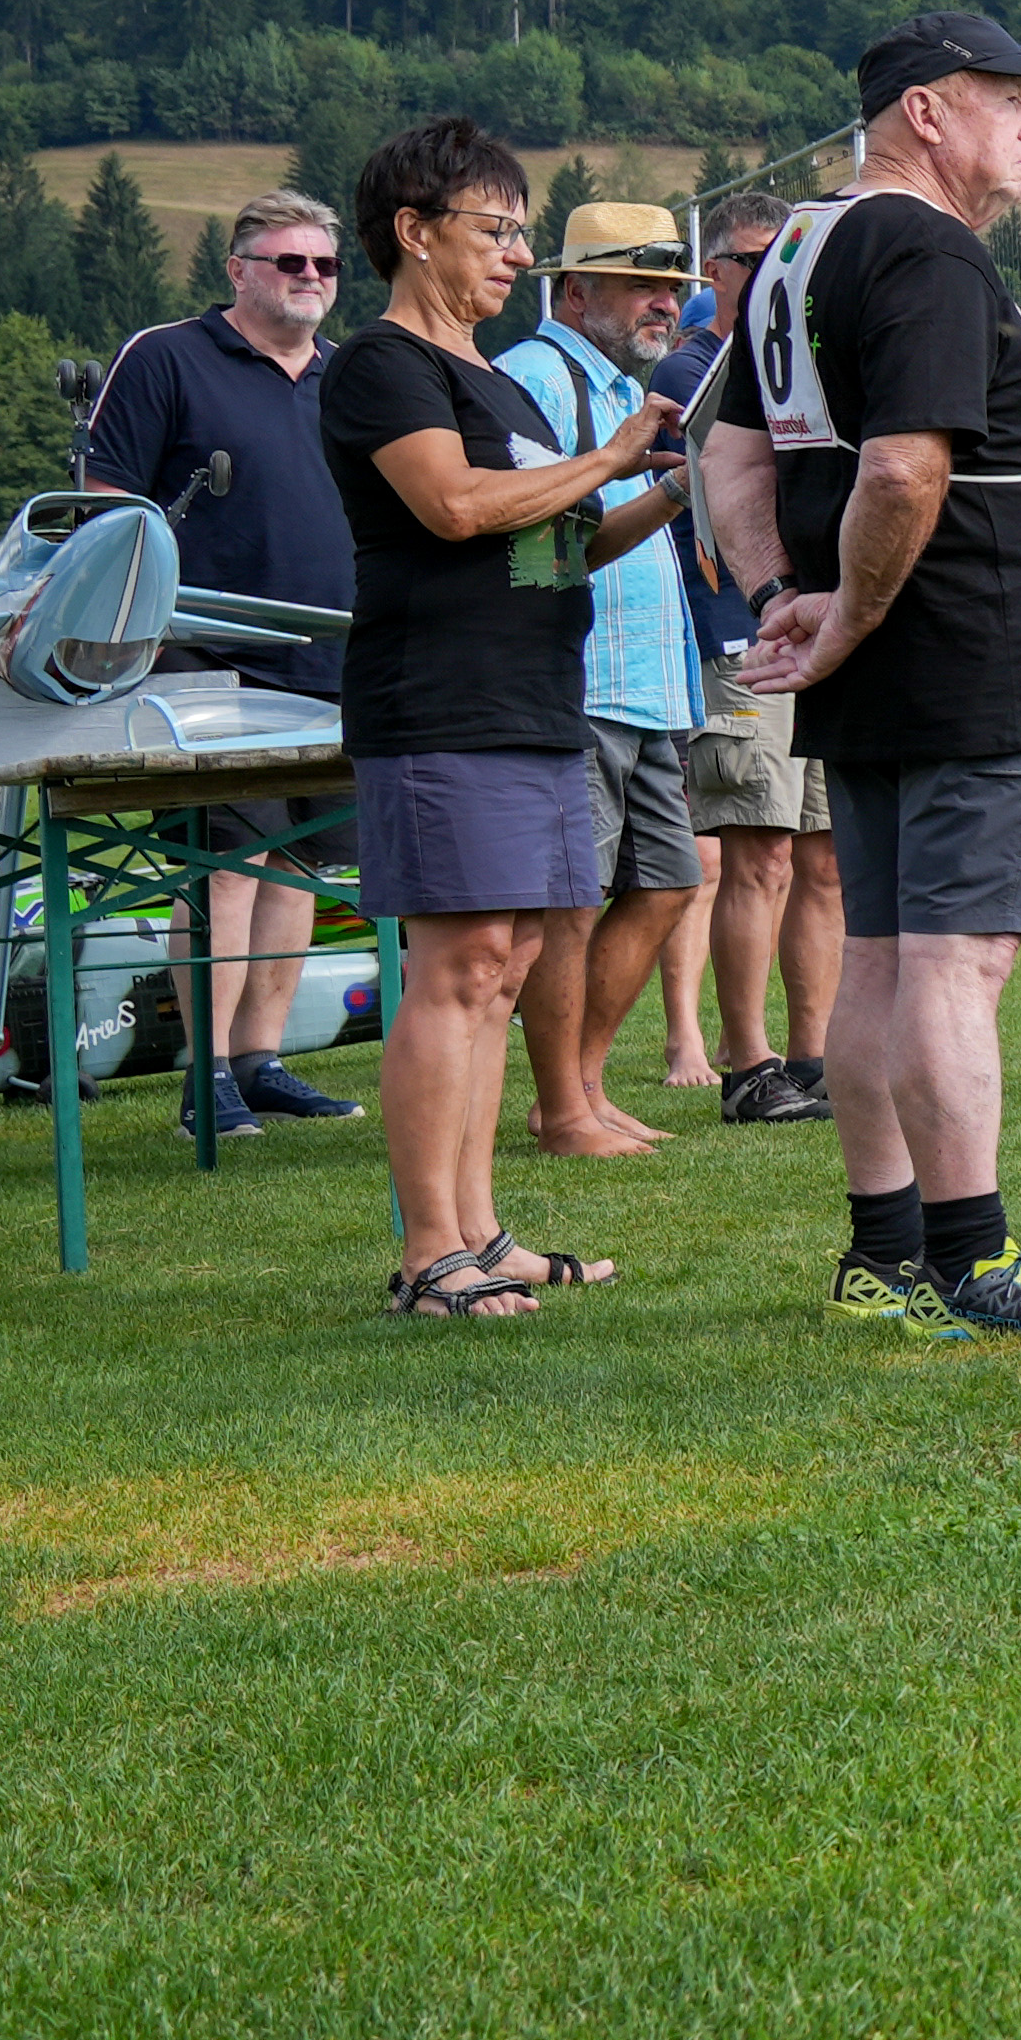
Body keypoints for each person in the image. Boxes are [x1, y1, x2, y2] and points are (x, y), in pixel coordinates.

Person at [700, 14, 1021, 1339]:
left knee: (886, 958)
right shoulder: (921, 243)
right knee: (956, 962)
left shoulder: (794, 246)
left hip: (885, 660)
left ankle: (883, 1255)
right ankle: (976, 1258)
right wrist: (834, 616)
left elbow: (726, 462)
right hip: (972, 648)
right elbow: (907, 468)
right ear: (925, 113)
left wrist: (775, 599)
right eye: (1011, 103)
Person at [320, 119, 690, 1317]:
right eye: (496, 230)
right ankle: (432, 1253)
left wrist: (676, 482)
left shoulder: (485, 378)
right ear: (414, 234)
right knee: (460, 964)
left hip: (530, 699)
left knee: (510, 961)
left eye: (523, 233)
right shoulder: (383, 366)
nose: (517, 256)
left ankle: (483, 1232)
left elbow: (562, 547)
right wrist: (617, 450)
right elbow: (457, 507)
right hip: (440, 704)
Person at [73, 189, 365, 1142]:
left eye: (324, 265)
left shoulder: (348, 375)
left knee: (295, 867)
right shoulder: (167, 356)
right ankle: (206, 1078)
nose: (312, 279)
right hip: (204, 656)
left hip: (330, 650)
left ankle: (261, 1060)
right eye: (291, 263)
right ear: (238, 270)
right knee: (225, 868)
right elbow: (107, 496)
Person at [492, 199, 710, 1155]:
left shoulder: (627, 388)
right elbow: (539, 546)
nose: (664, 305)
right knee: (570, 903)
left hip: (651, 683)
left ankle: (577, 1087)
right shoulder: (530, 378)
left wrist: (677, 486)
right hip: (577, 682)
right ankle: (563, 1107)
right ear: (576, 292)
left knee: (664, 886)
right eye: (643, 287)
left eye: (672, 289)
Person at [680, 207, 840, 1126]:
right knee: (760, 856)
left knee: (824, 860)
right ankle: (749, 1063)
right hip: (742, 640)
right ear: (722, 269)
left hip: (816, 633)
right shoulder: (697, 366)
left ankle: (814, 1057)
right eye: (765, 261)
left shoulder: (799, 354)